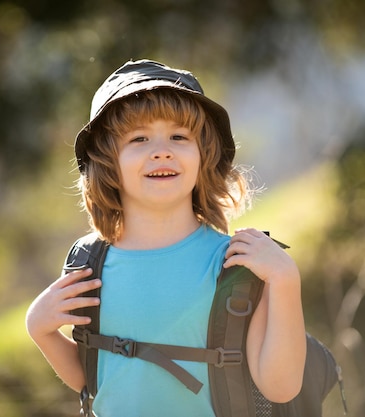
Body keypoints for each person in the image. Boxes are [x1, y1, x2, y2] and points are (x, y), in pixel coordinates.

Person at [25, 59, 306, 416]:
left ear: (203, 156)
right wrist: (42, 330)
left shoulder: (236, 264)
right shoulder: (89, 264)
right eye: (139, 138)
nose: (162, 150)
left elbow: (280, 387)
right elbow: (94, 379)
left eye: (179, 136)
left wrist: (285, 280)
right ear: (109, 163)